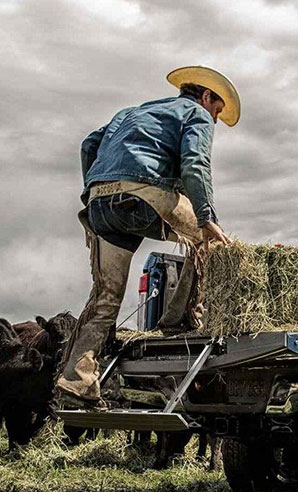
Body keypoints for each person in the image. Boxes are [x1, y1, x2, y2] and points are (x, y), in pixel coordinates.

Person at [55, 65, 240, 410]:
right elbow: (195, 164)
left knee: (106, 296)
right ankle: (180, 319)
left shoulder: (130, 113)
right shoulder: (196, 114)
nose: (214, 119)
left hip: (100, 204)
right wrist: (206, 217)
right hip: (144, 195)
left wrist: (93, 187)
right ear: (206, 96)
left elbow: (88, 144)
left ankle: (77, 377)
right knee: (210, 242)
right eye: (217, 110)